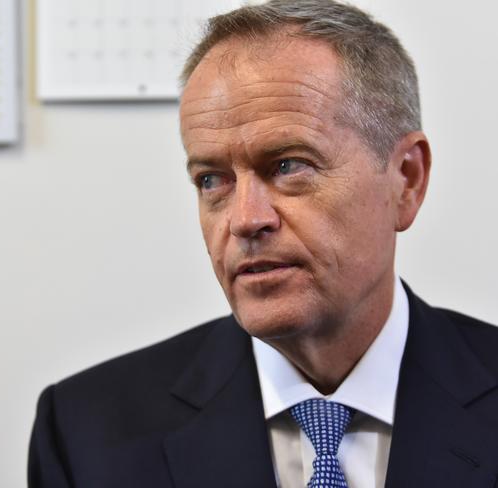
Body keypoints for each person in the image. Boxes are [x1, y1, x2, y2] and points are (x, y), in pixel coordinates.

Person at [28, 1, 498, 487]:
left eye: (289, 166)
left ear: (406, 179)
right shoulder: (86, 433)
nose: (245, 220)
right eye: (212, 180)